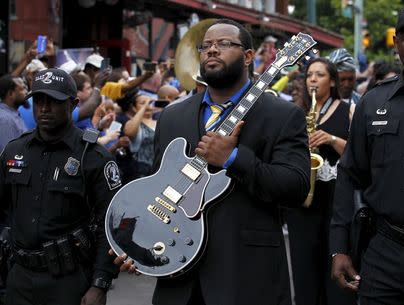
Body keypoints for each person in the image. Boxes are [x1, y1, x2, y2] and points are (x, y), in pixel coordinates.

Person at [113, 18, 311, 305]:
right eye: (206, 46)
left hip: (246, 279)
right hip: (177, 283)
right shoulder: (172, 117)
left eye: (224, 44)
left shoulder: (283, 116)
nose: (212, 50)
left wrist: (233, 158)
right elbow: (157, 188)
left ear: (248, 57)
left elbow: (296, 188)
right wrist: (138, 242)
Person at [330, 2, 404, 305]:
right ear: (396, 44)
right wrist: (339, 247)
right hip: (383, 255)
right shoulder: (373, 103)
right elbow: (349, 174)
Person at [0, 68, 121, 305]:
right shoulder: (15, 151)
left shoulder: (94, 157)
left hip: (69, 281)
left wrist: (100, 283)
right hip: (20, 278)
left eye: (54, 102)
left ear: (73, 104)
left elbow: (113, 224)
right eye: (39, 100)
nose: (44, 108)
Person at [285, 58, 356, 305]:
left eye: (320, 75)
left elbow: (360, 154)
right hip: (303, 199)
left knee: (335, 261)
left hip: (335, 196)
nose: (313, 80)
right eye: (309, 75)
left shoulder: (348, 108)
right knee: (304, 266)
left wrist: (331, 139)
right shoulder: (297, 111)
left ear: (333, 81)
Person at [0, 75, 28, 152]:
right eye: (22, 89)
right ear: (10, 94)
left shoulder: (12, 114)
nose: (26, 92)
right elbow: (9, 153)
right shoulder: (5, 120)